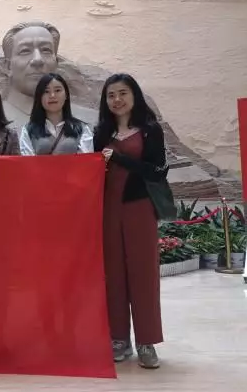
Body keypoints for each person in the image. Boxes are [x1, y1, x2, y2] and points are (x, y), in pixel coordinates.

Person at [93, 73, 167, 369]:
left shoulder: (150, 130)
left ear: (134, 95)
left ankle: (147, 341)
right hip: (108, 210)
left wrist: (118, 158)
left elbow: (157, 171)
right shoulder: (101, 132)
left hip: (140, 207)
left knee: (143, 273)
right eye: (111, 95)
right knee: (113, 274)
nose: (117, 99)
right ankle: (119, 339)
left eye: (123, 93)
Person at [20, 73, 93, 156]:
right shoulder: (29, 130)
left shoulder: (81, 129)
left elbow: (86, 161)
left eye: (57, 90)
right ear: (39, 97)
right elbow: (27, 161)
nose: (52, 95)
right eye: (46, 91)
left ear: (66, 95)